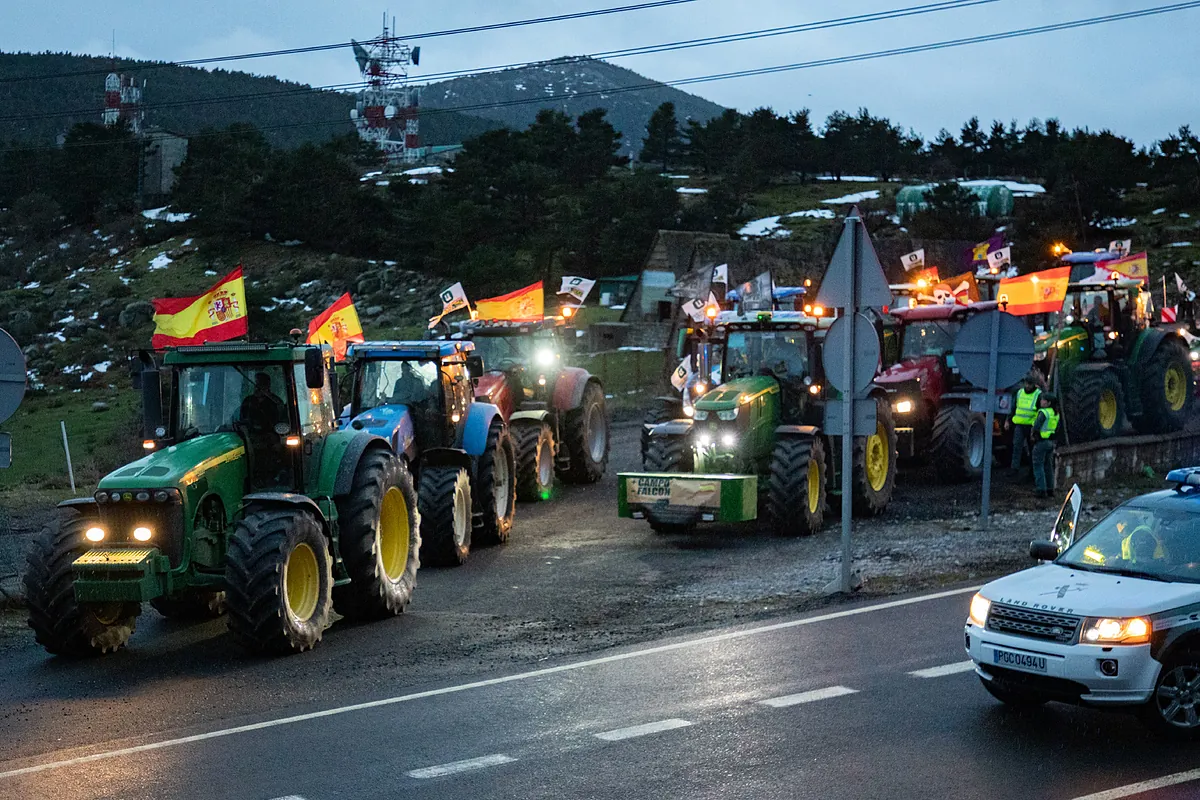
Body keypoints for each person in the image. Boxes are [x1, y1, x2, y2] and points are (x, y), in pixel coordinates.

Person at [1010, 376, 1041, 474]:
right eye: (1026, 383)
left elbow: (1040, 411)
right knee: (1017, 446)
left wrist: (1036, 426)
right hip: (1019, 425)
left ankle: (1032, 470)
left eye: (1030, 384)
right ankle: (1014, 469)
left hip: (1031, 426)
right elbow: (1013, 407)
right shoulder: (1019, 393)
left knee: (1032, 449)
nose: (1027, 386)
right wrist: (1008, 420)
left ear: (1034, 384)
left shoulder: (1038, 395)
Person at [1031, 392, 1060, 498]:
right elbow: (1057, 429)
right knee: (1048, 466)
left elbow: (1036, 427)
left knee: (1038, 466)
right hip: (1050, 442)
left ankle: (1041, 490)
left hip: (1041, 442)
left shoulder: (1043, 412)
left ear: (1048, 403)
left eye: (1043, 400)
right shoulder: (1055, 413)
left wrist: (1034, 437)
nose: (1041, 401)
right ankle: (1050, 489)